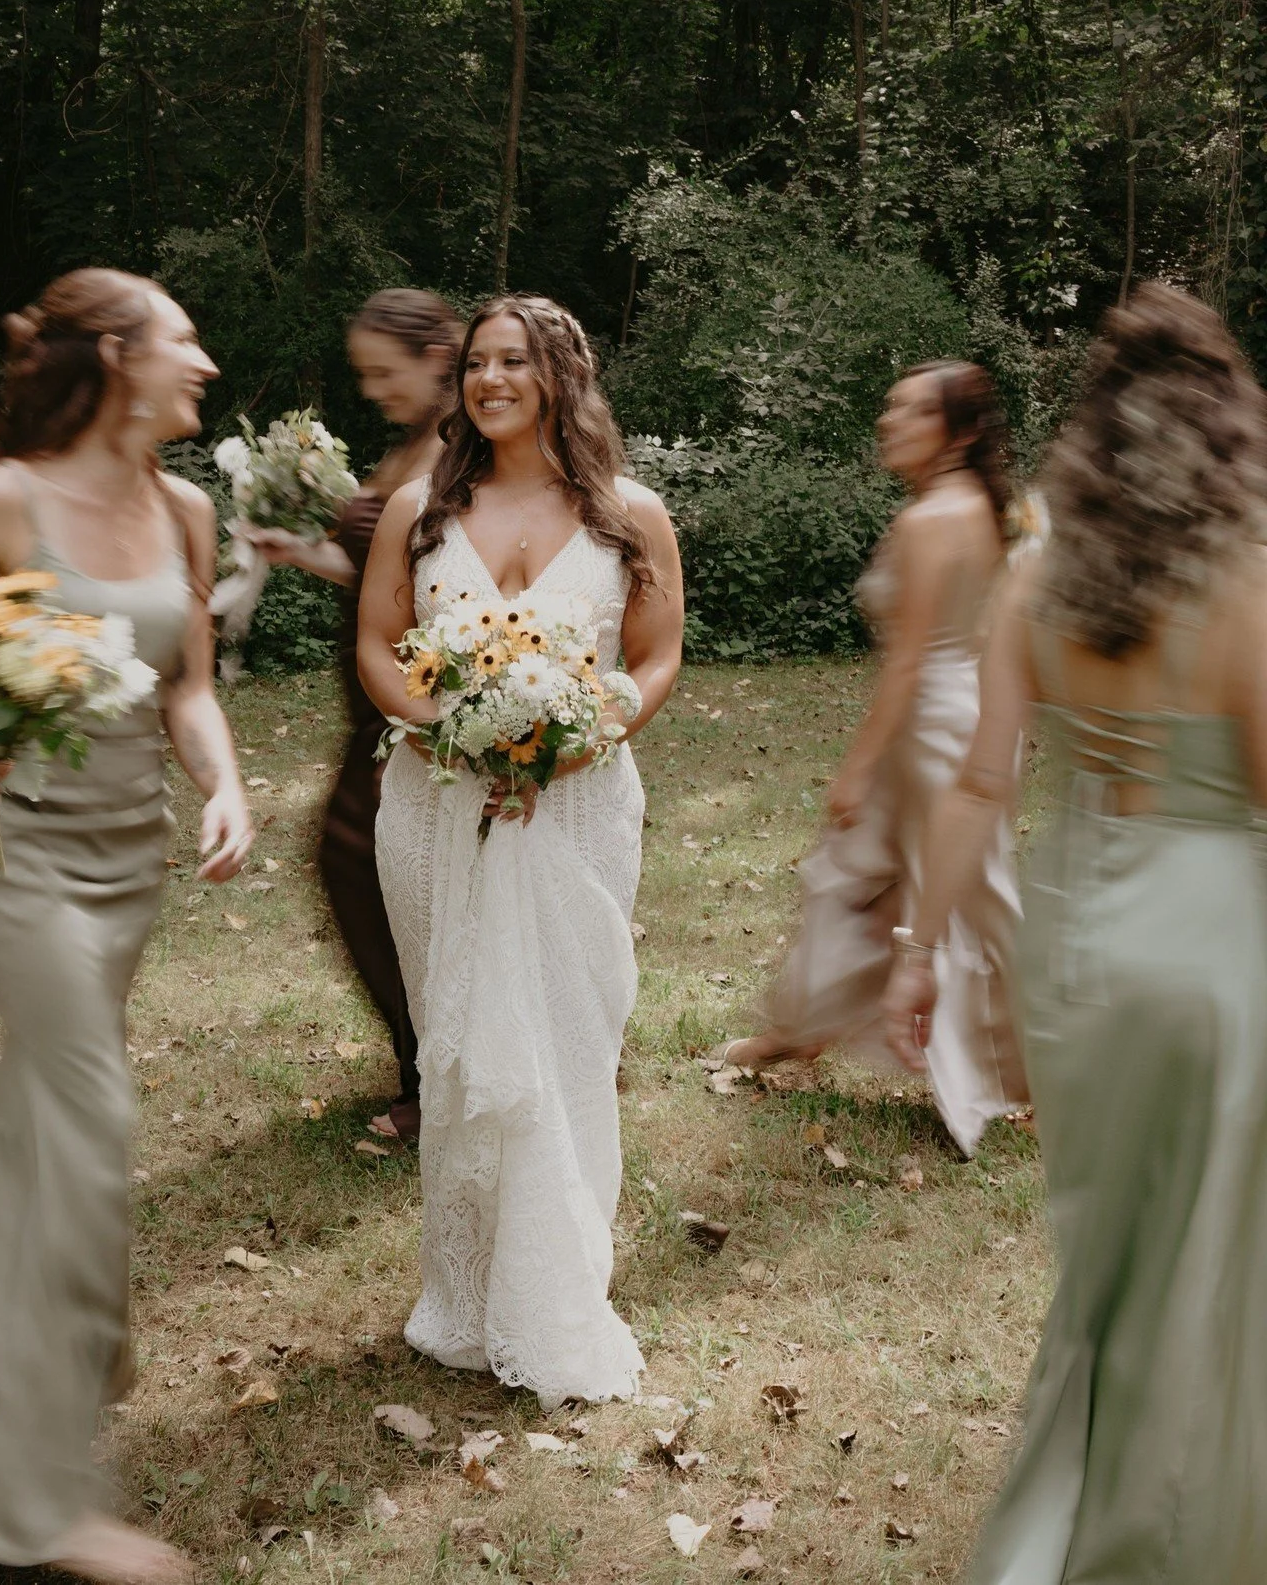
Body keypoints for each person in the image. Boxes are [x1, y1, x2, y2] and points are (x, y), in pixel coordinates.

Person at [0, 269, 253, 1585]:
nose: (204, 360)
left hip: (131, 865)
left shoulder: (186, 510)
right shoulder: (4, 498)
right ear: (118, 355)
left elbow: (187, 687)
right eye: (183, 339)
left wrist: (225, 782)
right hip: (22, 865)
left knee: (40, 1141)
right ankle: (40, 1495)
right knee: (88, 1121)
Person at [885, 285, 1267, 1583]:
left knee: (1106, 1269)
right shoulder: (1245, 578)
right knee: (1208, 1267)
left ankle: (1061, 1528)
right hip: (1214, 939)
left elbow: (981, 783)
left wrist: (920, 950)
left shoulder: (1038, 575)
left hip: (1082, 943)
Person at [358, 294, 683, 1406]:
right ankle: (463, 1291)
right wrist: (444, 726)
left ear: (562, 375)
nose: (489, 379)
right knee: (455, 1041)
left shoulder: (630, 512)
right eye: (476, 363)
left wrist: (585, 735)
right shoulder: (421, 508)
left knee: (568, 1036)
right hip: (436, 803)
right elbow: (377, 641)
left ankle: (556, 1286)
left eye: (513, 361)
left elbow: (657, 651)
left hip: (576, 806)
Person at [723, 362, 1027, 1155]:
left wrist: (858, 767)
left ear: (958, 431)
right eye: (890, 407)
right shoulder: (977, 508)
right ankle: (800, 1028)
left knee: (911, 886)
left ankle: (987, 1071)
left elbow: (909, 664)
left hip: (930, 727)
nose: (889, 421)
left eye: (911, 411)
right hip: (960, 713)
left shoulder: (931, 520)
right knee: (896, 882)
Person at [243, 289, 462, 1144]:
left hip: (416, 700)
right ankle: (428, 1065)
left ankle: (437, 1078)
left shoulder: (460, 446)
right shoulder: (410, 443)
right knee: (366, 871)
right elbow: (380, 569)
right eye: (362, 374)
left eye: (383, 371)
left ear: (435, 356)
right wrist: (299, 551)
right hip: (372, 702)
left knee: (374, 870)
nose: (372, 390)